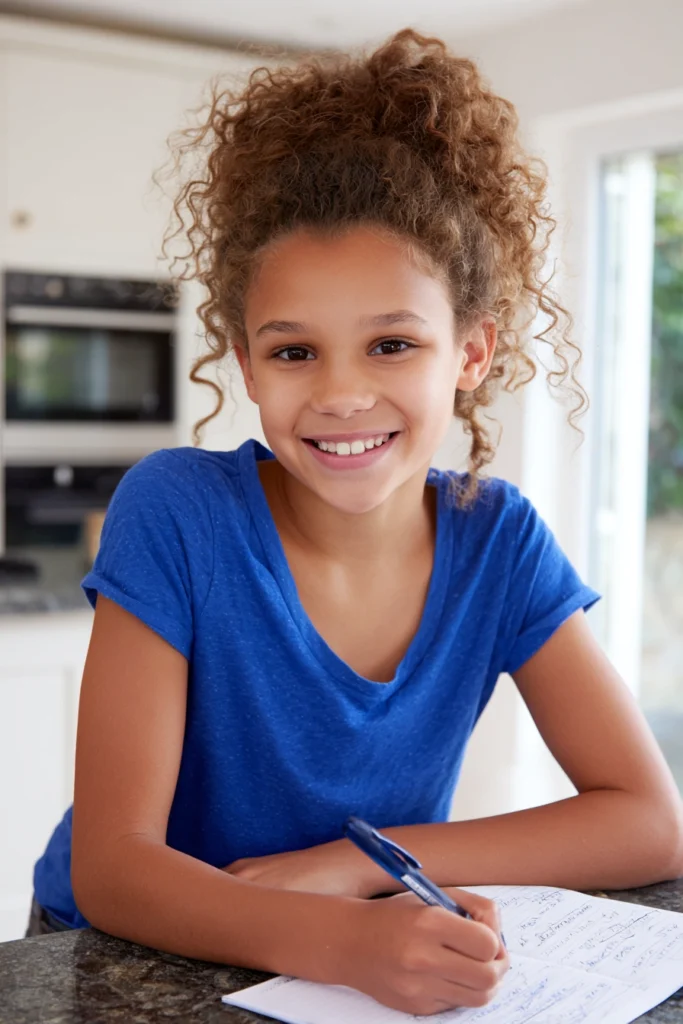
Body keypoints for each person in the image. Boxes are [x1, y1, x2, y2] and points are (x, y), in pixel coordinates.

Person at [27, 27, 682, 1017]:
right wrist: (341, 935)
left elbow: (647, 821)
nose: (340, 395)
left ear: (468, 353)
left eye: (389, 343)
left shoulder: (494, 540)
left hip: (346, 955)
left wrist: (346, 866)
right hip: (122, 955)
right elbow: (116, 867)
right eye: (294, 353)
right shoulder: (177, 511)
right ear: (245, 362)